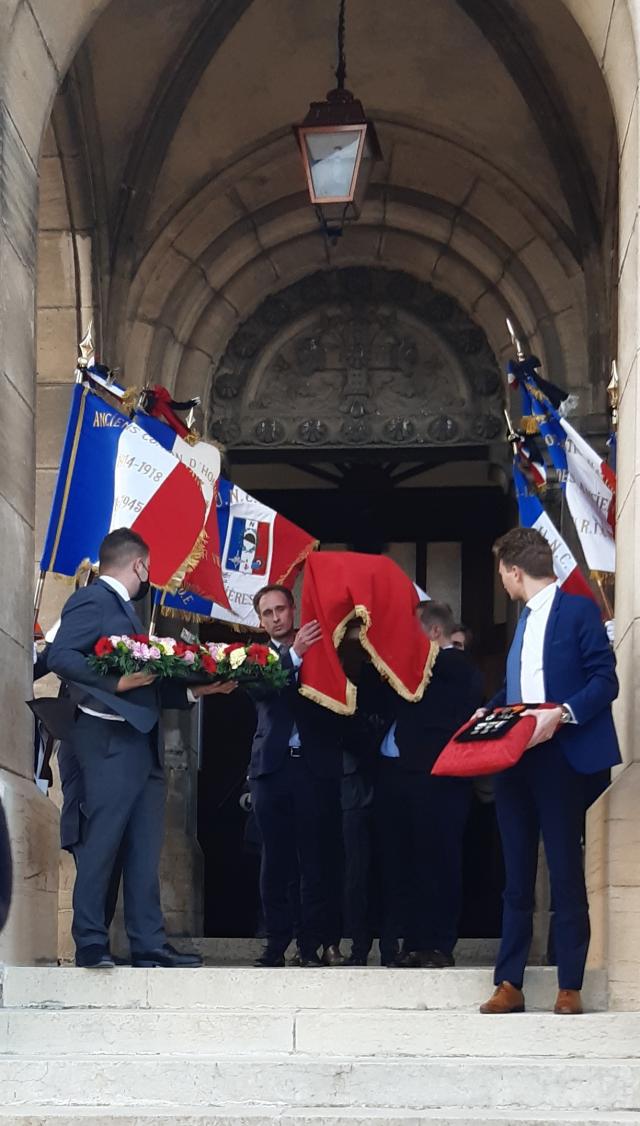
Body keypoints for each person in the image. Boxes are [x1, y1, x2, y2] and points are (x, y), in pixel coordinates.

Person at [47, 527, 234, 969]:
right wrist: (116, 680)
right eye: (149, 567)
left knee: (143, 848)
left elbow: (144, 688)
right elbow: (60, 655)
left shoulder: (128, 611)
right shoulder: (94, 599)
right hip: (108, 740)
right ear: (139, 565)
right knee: (102, 843)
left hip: (140, 740)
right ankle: (90, 941)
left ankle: (149, 943)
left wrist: (199, 692)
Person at [478, 527, 620, 1016]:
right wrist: (486, 713)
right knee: (516, 873)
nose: (503, 584)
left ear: (515, 572)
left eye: (502, 575)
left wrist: (563, 713)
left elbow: (606, 681)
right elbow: (517, 691)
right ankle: (509, 982)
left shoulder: (579, 611)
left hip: (561, 758)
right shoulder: (523, 621)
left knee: (563, 869)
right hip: (516, 760)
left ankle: (570, 984)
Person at [376, 602, 483, 967]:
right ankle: (417, 941)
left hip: (442, 778)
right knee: (416, 862)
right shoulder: (421, 669)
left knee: (440, 862)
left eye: (413, 631)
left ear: (434, 632)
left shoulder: (454, 667)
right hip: (411, 777)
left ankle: (437, 943)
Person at [247, 584, 344, 967]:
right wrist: (294, 656)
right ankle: (275, 943)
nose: (275, 617)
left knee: (315, 861)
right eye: (267, 612)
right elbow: (262, 690)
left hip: (313, 767)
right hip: (271, 769)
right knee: (275, 861)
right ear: (259, 620)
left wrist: (306, 653)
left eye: (280, 609)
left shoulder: (322, 651)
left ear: (293, 610)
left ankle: (311, 945)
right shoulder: (252, 657)